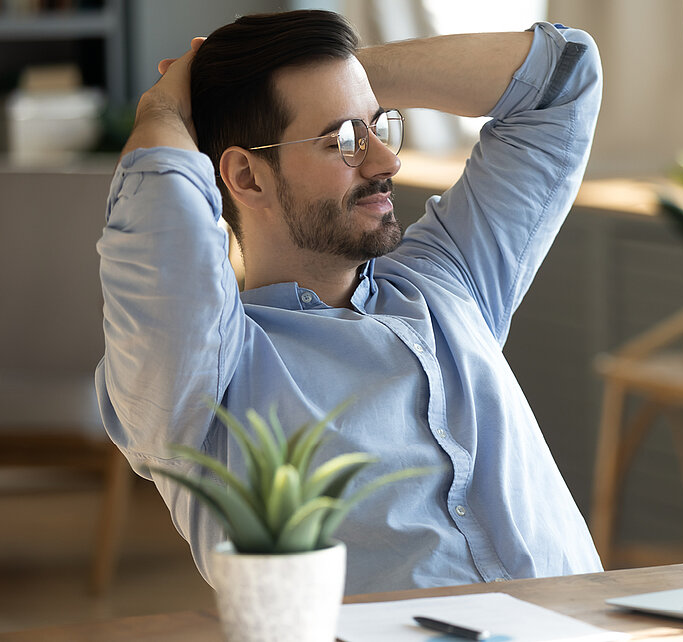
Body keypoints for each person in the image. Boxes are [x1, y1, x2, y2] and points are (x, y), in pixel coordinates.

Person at [95, 9, 603, 594]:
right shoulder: (203, 381)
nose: (386, 162)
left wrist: (346, 75)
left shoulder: (446, 278)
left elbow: (563, 78)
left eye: (378, 126)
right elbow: (164, 237)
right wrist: (162, 107)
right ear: (247, 177)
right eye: (341, 140)